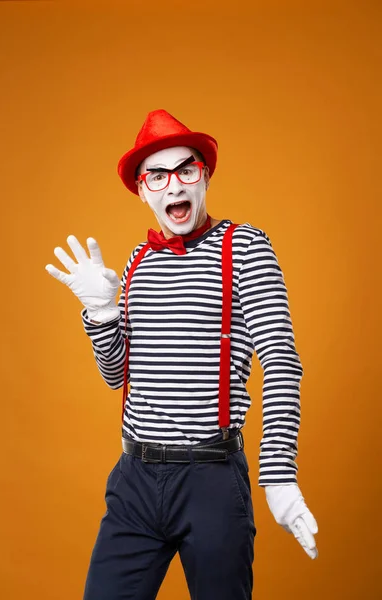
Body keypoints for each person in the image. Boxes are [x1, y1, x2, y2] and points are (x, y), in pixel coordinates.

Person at [45, 109, 318, 600]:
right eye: (158, 175)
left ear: (204, 176)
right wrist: (101, 313)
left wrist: (279, 475)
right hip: (134, 480)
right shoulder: (136, 263)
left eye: (185, 169)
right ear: (143, 190)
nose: (174, 185)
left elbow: (280, 360)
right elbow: (117, 374)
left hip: (211, 480)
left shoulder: (246, 247)